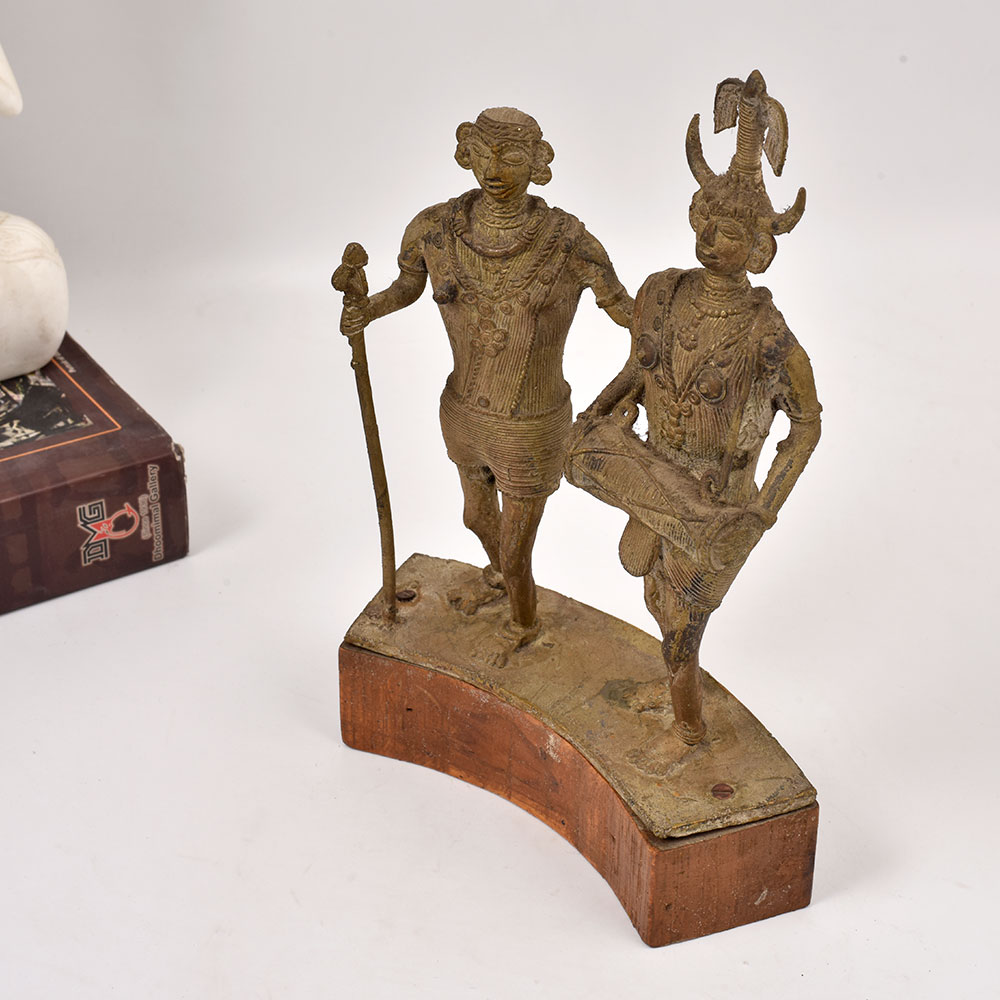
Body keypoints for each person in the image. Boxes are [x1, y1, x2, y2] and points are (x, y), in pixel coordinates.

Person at [567, 72, 821, 745]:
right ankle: (680, 703)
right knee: (657, 597)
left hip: (715, 500)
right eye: (706, 220)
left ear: (761, 248)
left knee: (683, 620)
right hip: (649, 469)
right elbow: (638, 368)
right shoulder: (663, 294)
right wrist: (598, 412)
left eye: (729, 230)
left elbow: (807, 423)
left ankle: (687, 728)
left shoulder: (767, 336)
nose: (711, 237)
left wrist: (764, 507)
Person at [342, 107, 632, 664]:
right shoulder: (434, 230)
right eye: (483, 155)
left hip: (530, 423)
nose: (495, 170)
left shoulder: (569, 243)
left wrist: (674, 322)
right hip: (464, 410)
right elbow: (405, 288)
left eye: (512, 157)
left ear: (538, 162)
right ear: (466, 153)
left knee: (518, 550)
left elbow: (625, 311)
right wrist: (367, 310)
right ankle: (500, 580)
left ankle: (523, 623)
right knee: (476, 517)